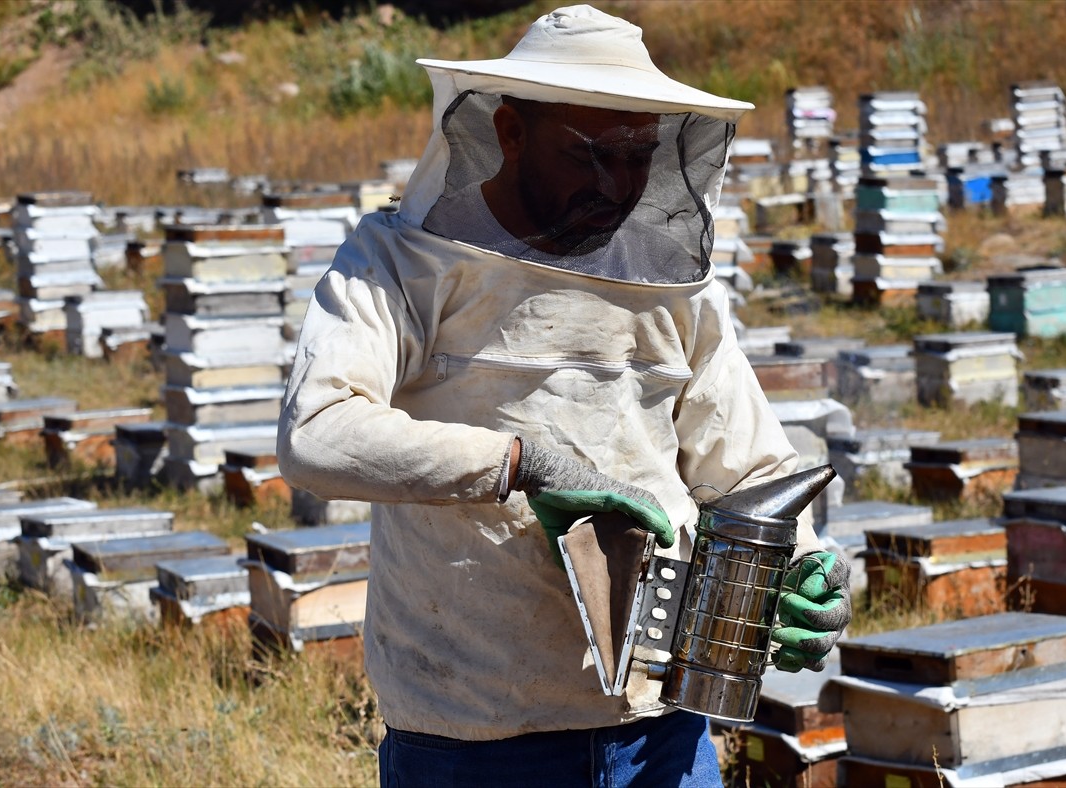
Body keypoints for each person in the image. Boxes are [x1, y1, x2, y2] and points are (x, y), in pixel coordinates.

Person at [277, 5, 851, 786]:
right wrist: (521, 461)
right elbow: (318, 432)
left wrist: (811, 567)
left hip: (664, 733)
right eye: (587, 154)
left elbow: (749, 471)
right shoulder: (401, 262)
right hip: (472, 731)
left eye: (639, 156)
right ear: (510, 131)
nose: (617, 185)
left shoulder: (671, 289)